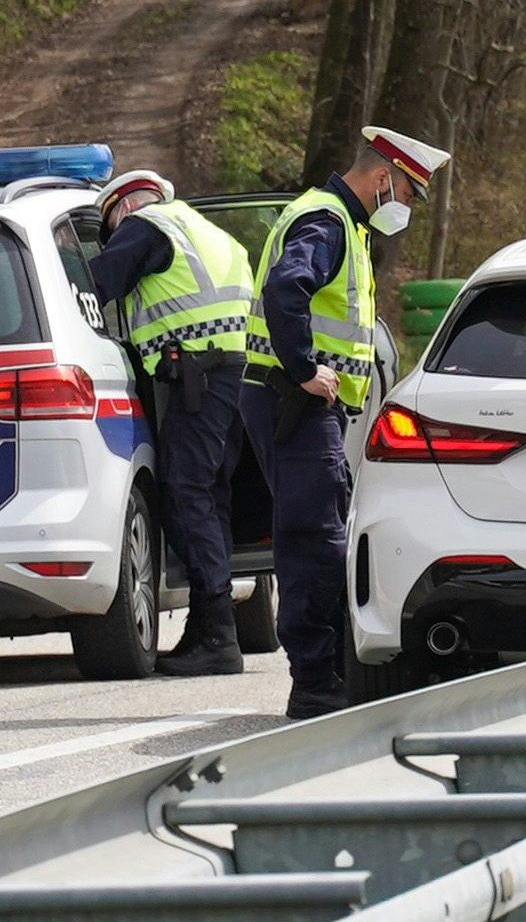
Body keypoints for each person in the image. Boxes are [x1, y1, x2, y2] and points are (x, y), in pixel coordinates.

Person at [239, 126, 451, 718]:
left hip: (298, 407)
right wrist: (304, 367)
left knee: (323, 532)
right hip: (296, 402)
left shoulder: (340, 223)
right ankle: (315, 682)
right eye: (408, 195)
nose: (406, 209)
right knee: (315, 541)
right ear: (383, 178)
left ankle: (325, 674)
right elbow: (288, 288)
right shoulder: (327, 221)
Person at [87, 169, 255, 676]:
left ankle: (219, 636)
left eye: (111, 226)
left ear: (125, 208)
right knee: (211, 499)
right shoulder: (211, 233)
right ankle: (209, 630)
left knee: (186, 495)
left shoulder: (147, 227)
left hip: (195, 380)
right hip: (235, 377)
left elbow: (95, 287)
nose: (116, 235)